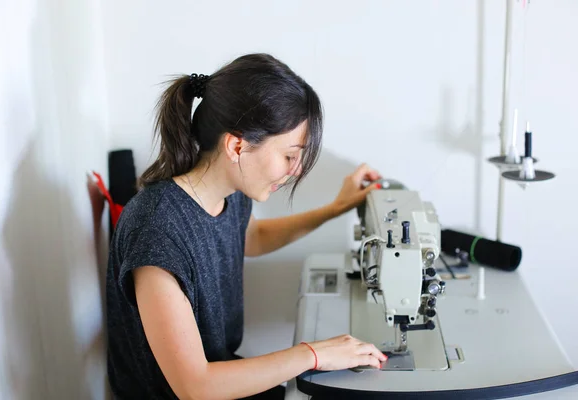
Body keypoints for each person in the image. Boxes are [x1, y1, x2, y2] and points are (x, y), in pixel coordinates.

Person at [105, 53, 387, 400]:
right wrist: (313, 354)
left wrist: (335, 209)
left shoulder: (229, 192)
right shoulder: (156, 230)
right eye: (289, 155)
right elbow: (195, 386)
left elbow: (251, 237)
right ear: (237, 145)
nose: (296, 170)